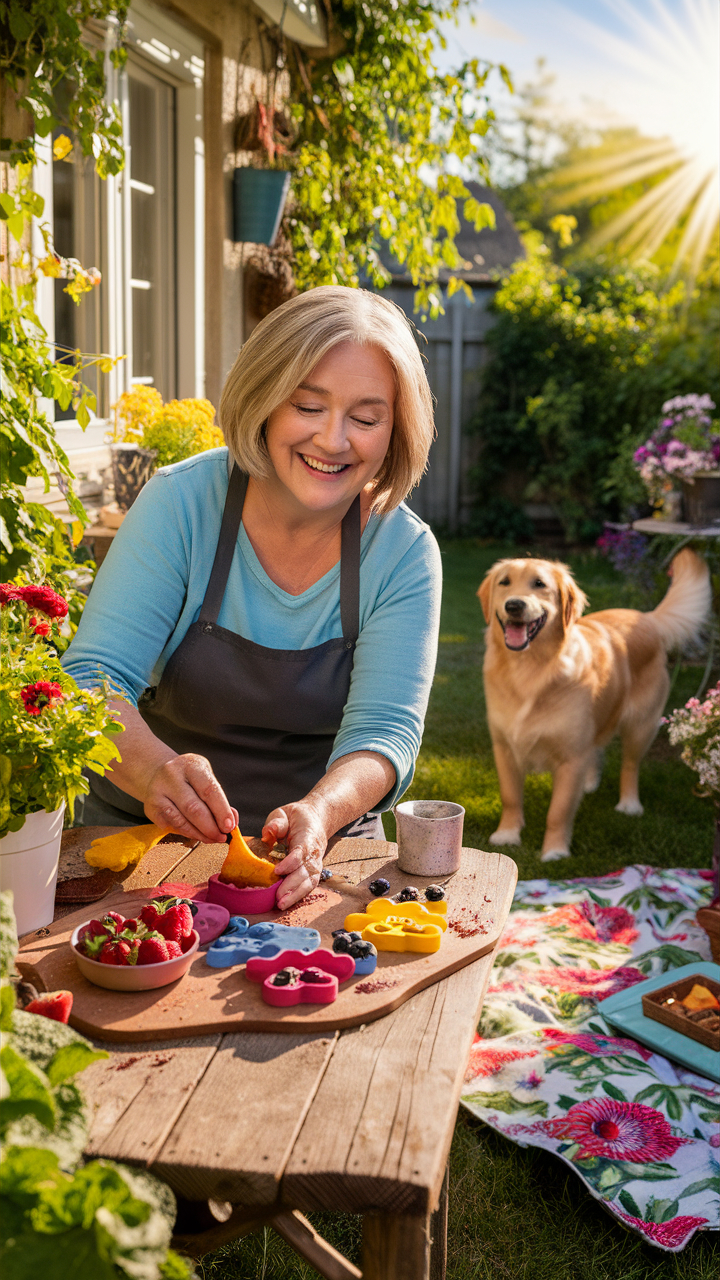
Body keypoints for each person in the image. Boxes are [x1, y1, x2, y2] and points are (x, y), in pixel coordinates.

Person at [63, 286, 441, 908]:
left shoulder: (402, 551)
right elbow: (92, 676)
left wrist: (322, 811)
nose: (333, 439)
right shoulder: (181, 504)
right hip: (138, 843)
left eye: (366, 419)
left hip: (325, 853)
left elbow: (385, 732)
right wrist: (153, 770)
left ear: (396, 430)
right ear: (263, 399)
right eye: (308, 406)